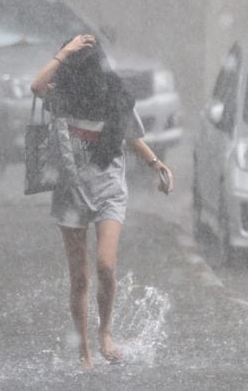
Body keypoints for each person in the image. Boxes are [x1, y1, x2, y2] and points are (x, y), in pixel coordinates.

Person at [30, 34, 174, 369]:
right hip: (70, 192)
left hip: (109, 188)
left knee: (106, 266)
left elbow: (130, 136)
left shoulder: (116, 97)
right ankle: (84, 351)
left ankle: (104, 332)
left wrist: (156, 164)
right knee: (79, 278)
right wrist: (64, 53)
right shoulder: (62, 97)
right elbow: (37, 86)